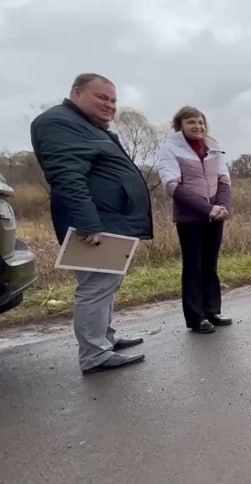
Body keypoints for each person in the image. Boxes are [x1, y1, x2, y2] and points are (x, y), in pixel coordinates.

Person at [30, 73, 153, 374]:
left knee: (107, 284)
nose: (110, 105)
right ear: (76, 93)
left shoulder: (89, 127)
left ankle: (105, 339)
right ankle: (95, 354)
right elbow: (67, 176)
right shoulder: (59, 122)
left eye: (113, 100)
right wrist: (88, 224)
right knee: (96, 287)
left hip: (111, 220)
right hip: (96, 224)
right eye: (102, 97)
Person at [155, 106, 233, 334]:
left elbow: (224, 179)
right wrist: (207, 208)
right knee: (193, 267)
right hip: (190, 217)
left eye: (201, 122)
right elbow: (172, 185)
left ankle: (212, 311)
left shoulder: (213, 146)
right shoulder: (170, 149)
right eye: (191, 122)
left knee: (210, 265)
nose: (198, 126)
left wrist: (223, 207)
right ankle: (196, 318)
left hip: (215, 215)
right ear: (180, 125)